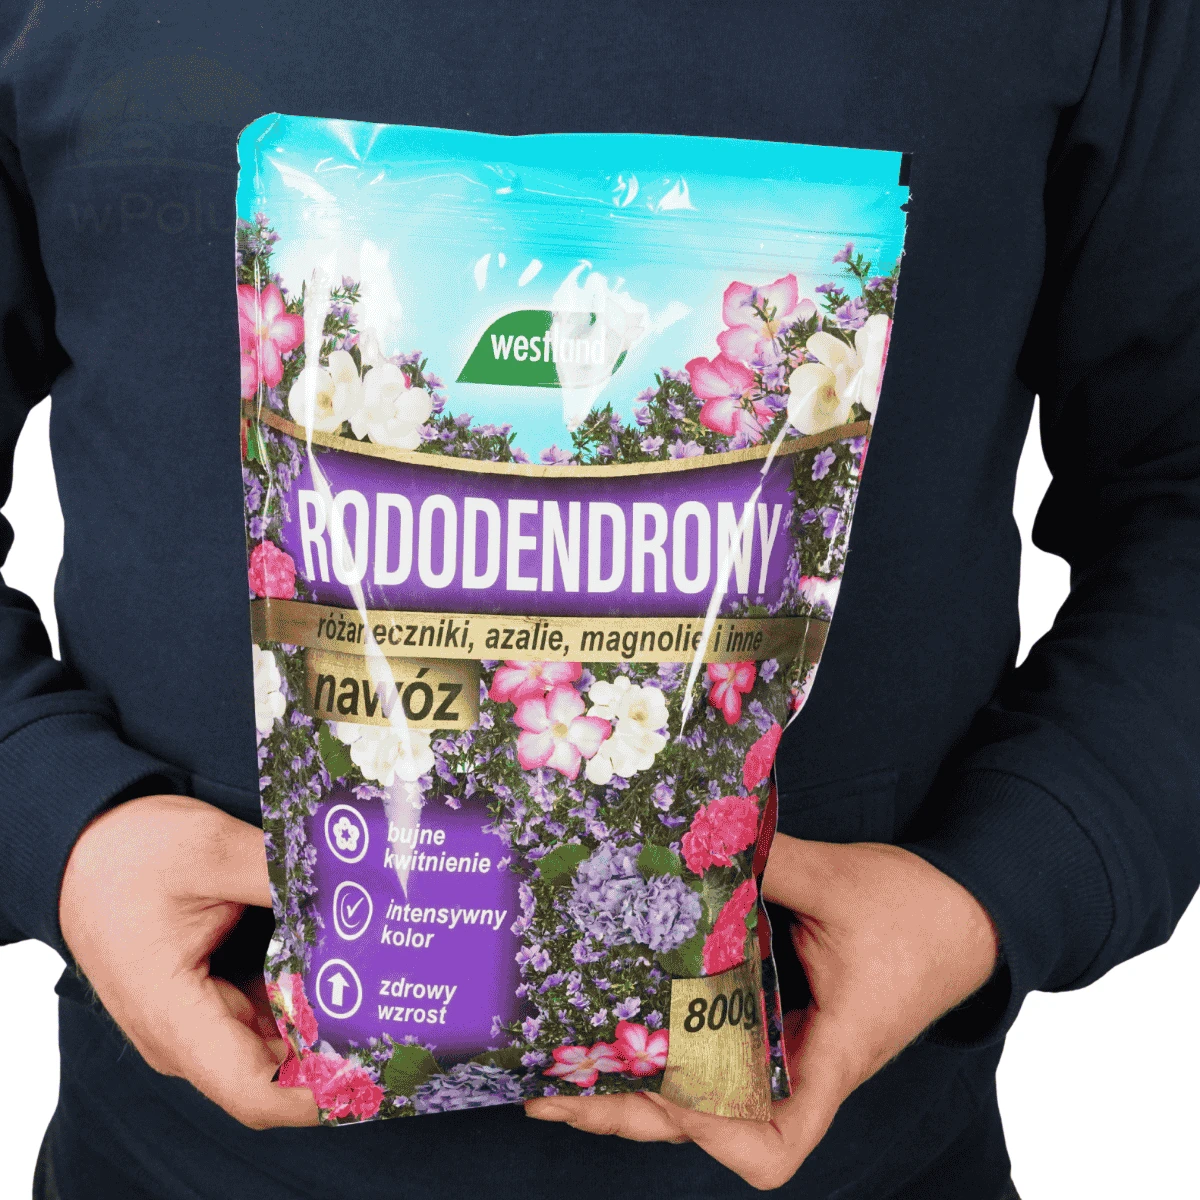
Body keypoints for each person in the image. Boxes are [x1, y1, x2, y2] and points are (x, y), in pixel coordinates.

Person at [1, 3, 1197, 1198]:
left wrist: (1002, 884)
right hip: (166, 1162)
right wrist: (58, 826)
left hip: (868, 1163)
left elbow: (1178, 488)